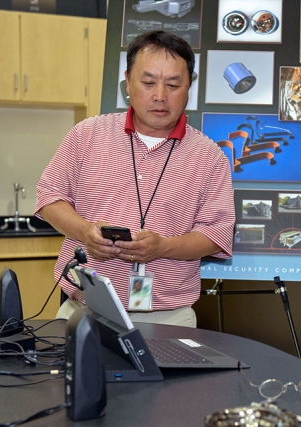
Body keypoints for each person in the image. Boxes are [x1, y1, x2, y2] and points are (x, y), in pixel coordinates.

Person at [35, 30, 235, 328]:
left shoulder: (209, 156)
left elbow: (217, 233)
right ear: (127, 82)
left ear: (189, 86)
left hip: (169, 318)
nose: (160, 95)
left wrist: (163, 247)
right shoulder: (86, 134)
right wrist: (85, 230)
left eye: (173, 84)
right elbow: (50, 197)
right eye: (148, 82)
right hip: (83, 310)